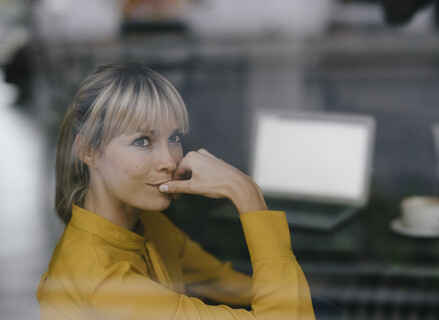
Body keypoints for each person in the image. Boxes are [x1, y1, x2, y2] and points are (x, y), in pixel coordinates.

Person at [36, 62, 316, 319]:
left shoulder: (150, 227)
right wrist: (245, 192)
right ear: (89, 151)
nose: (170, 161)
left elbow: (235, 287)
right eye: (143, 141)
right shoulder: (103, 280)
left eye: (174, 137)